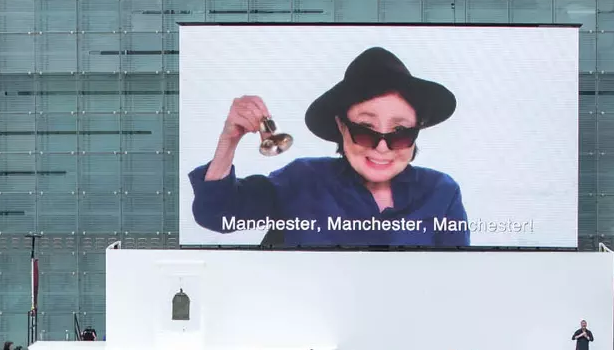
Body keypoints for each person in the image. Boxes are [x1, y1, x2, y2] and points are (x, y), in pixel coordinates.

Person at [188, 47, 470, 248]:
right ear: (341, 126)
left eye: (399, 132)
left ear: (417, 129)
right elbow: (217, 215)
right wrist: (229, 140)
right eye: (365, 130)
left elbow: (458, 284)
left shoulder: (442, 193)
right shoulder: (301, 180)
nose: (382, 148)